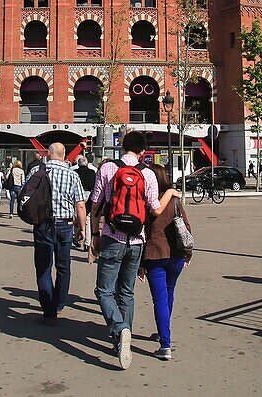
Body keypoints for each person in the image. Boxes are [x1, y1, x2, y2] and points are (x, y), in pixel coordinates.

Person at [89, 130, 173, 370]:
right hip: (136, 240)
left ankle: (119, 329)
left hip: (111, 237)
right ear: (143, 152)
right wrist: (170, 192)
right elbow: (155, 210)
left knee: (104, 290)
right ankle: (122, 338)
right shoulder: (147, 174)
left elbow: (96, 204)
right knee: (127, 292)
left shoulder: (107, 169)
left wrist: (94, 235)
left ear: (121, 146)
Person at [25, 142, 87, 326]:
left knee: (43, 268)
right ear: (64, 155)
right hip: (65, 225)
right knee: (63, 266)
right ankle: (59, 303)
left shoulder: (37, 171)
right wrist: (82, 228)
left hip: (43, 224)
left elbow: (25, 193)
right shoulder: (72, 174)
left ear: (49, 154)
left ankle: (49, 311)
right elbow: (80, 205)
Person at [140, 165, 191, 361]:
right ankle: (164, 332)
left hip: (155, 255)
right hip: (176, 255)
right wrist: (187, 254)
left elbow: (142, 233)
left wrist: (141, 265)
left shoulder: (148, 203)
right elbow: (186, 228)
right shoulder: (176, 201)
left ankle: (165, 344)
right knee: (169, 294)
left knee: (159, 299)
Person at [75, 154, 97, 249]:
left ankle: (77, 239)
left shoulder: (75, 172)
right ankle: (87, 242)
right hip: (89, 194)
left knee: (77, 216)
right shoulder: (92, 172)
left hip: (78, 194)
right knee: (87, 218)